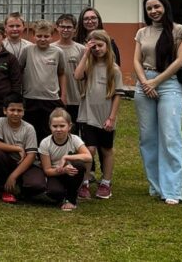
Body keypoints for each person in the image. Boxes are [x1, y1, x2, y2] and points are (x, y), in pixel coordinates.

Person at [133, 0, 182, 205]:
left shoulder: (179, 30)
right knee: (148, 138)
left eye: (156, 6)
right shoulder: (142, 32)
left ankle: (173, 190)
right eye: (149, 8)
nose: (153, 11)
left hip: (168, 84)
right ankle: (156, 186)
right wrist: (145, 83)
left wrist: (155, 83)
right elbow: (137, 61)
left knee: (170, 136)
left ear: (164, 6)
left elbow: (180, 60)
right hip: (143, 84)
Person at [74, 30, 125, 200]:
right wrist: (85, 54)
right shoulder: (88, 65)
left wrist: (112, 117)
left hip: (105, 117)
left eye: (100, 45)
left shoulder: (114, 69)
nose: (97, 49)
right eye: (93, 46)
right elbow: (77, 75)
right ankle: (85, 182)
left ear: (107, 46)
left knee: (106, 149)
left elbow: (117, 95)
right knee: (89, 149)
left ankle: (106, 182)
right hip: (88, 115)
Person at [0, 93, 44, 204]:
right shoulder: (0, 122)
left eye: (19, 110)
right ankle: (5, 189)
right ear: (5, 110)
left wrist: (13, 176)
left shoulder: (29, 128)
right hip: (8, 162)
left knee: (37, 185)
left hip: (27, 164)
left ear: (23, 112)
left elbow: (31, 156)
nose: (15, 113)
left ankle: (21, 188)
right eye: (12, 109)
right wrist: (17, 148)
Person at [21, 20, 67, 142]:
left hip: (51, 99)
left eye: (46, 36)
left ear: (52, 36)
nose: (42, 39)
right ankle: (32, 158)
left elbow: (61, 74)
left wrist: (63, 96)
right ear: (33, 36)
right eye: (39, 36)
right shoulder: (27, 50)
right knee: (31, 132)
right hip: (30, 98)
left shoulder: (58, 52)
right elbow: (19, 71)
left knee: (48, 131)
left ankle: (47, 158)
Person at [38, 108, 92, 211]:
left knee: (79, 166)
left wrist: (66, 157)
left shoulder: (74, 139)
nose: (58, 129)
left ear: (69, 126)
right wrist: (63, 170)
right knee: (54, 193)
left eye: (62, 126)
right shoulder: (45, 143)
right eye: (55, 126)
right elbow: (47, 170)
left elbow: (88, 156)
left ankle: (71, 200)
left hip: (71, 173)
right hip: (55, 173)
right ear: (50, 126)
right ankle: (63, 194)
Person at [52, 13, 86, 131]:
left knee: (74, 131)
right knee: (58, 130)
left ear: (75, 29)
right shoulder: (51, 48)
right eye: (62, 26)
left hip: (76, 98)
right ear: (57, 28)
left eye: (69, 27)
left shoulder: (81, 49)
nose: (65, 30)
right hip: (55, 97)